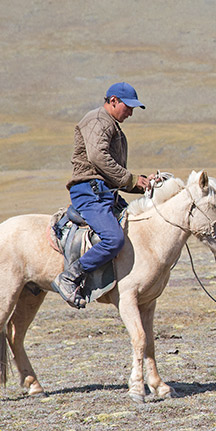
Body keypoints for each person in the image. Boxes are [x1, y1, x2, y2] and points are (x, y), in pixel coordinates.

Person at [52, 82, 152, 308]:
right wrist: (132, 180)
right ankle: (69, 277)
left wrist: (141, 183)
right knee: (114, 239)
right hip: (90, 191)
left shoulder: (111, 125)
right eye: (128, 107)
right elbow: (98, 158)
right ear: (113, 100)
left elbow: (113, 172)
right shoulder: (97, 121)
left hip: (106, 192)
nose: (131, 113)